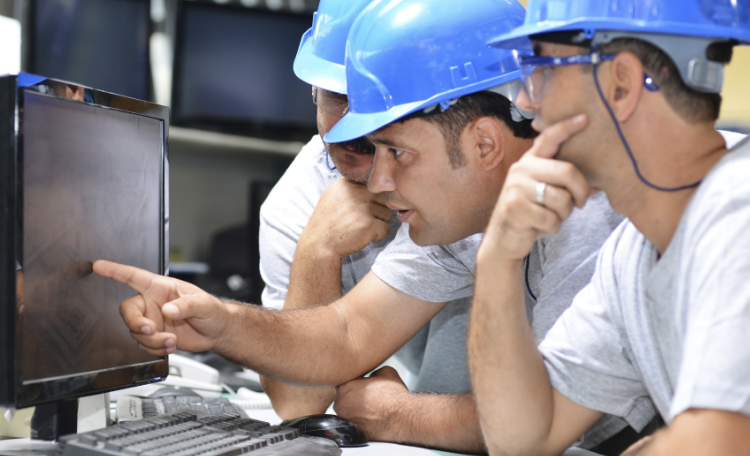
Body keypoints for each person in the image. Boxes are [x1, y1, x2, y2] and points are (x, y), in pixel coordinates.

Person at [94, 0, 704, 451]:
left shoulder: (700, 215)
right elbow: (351, 334)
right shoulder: (479, 211)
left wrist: (396, 414)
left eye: (545, 74)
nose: (530, 99)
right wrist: (222, 321)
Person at [469, 1, 750, 455]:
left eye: (542, 69)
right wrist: (497, 260)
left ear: (621, 84)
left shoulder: (740, 208)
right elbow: (524, 438)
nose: (524, 102)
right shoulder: (634, 252)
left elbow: (718, 444)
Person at [256, 0, 418, 421]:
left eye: (369, 97)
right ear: (312, 90)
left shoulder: (471, 183)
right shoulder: (294, 202)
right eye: (335, 97)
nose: (349, 122)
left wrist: (406, 416)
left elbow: (540, 419)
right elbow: (296, 402)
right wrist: (318, 249)